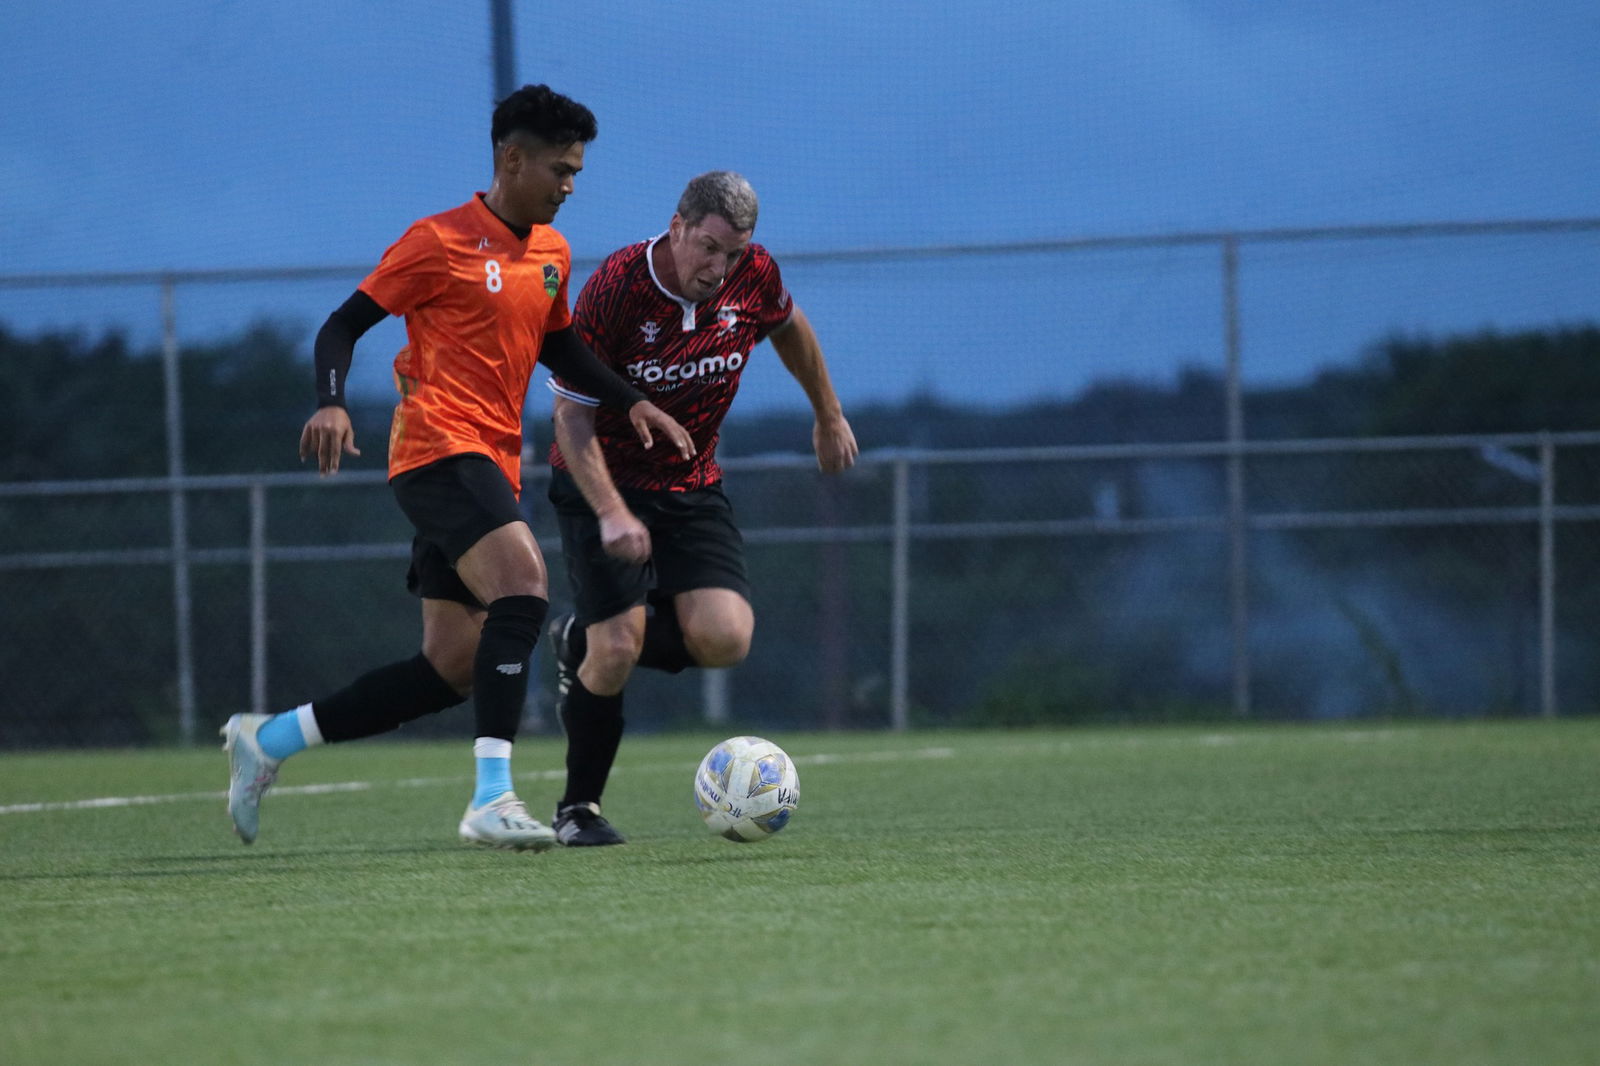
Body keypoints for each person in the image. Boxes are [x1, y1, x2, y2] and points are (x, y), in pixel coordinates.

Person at [219, 85, 695, 851]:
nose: (571, 185)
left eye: (578, 171)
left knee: (452, 666)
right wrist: (331, 402)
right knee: (526, 586)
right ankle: (492, 798)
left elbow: (559, 343)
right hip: (436, 448)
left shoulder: (551, 252)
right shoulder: (437, 241)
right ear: (512, 158)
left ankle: (268, 741)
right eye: (561, 169)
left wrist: (629, 400)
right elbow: (343, 326)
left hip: (492, 463)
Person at [544, 170, 858, 846]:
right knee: (619, 645)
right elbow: (570, 416)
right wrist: (611, 513)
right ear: (678, 225)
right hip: (602, 481)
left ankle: (580, 639)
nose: (722, 268)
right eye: (710, 248)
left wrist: (827, 415)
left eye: (736, 253)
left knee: (726, 637)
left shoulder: (753, 275)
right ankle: (578, 811)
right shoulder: (618, 287)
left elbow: (789, 324)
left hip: (690, 483)